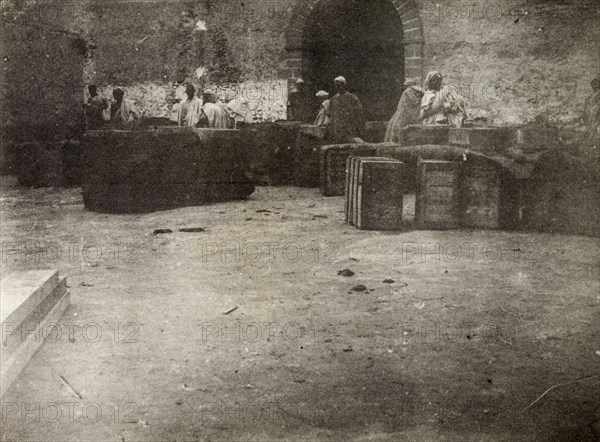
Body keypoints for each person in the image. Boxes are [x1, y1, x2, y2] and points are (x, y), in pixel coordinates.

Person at [384, 78, 424, 143]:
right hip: (416, 115)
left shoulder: (406, 92)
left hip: (404, 115)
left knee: (396, 130)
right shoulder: (420, 92)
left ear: (406, 85)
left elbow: (404, 106)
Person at [328, 76, 365, 143]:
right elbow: (329, 113)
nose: (337, 87)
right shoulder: (333, 99)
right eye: (336, 86)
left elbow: (359, 111)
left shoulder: (352, 97)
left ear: (344, 85)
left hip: (350, 128)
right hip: (337, 129)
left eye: (339, 85)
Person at [583, 77, 600, 141]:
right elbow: (586, 109)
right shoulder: (589, 98)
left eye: (596, 84)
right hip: (591, 114)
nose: (595, 86)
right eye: (594, 85)